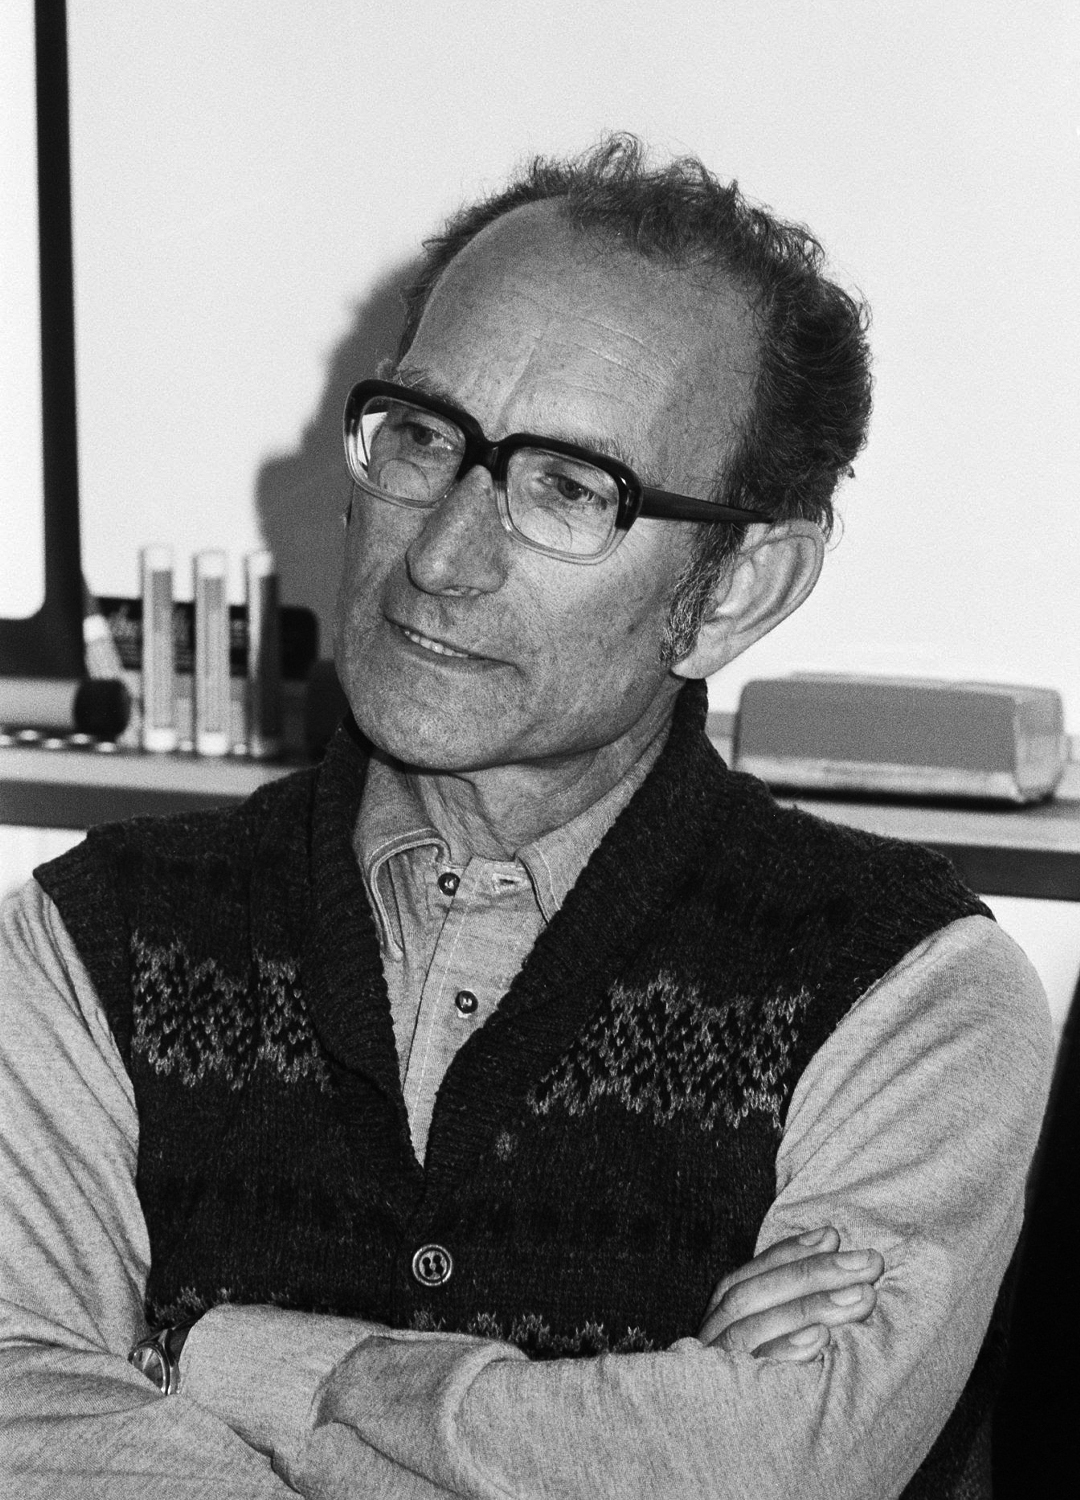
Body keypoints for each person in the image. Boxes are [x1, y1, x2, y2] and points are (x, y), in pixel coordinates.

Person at [0, 136, 1052, 1499]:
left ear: (735, 590)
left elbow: (769, 1468)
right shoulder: (87, 942)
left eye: (568, 488)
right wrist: (605, 1428)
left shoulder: (911, 990)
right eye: (423, 438)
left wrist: (230, 1362)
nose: (440, 555)